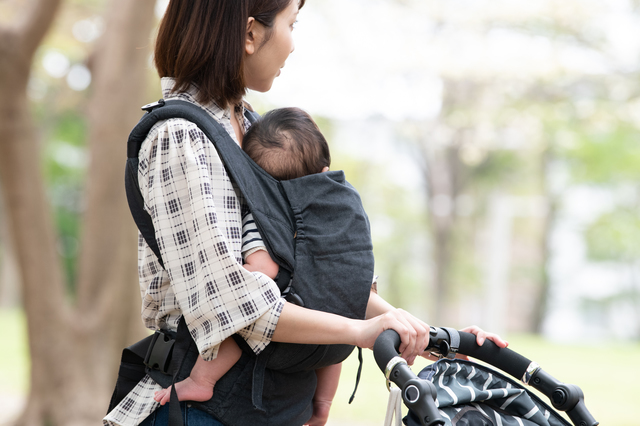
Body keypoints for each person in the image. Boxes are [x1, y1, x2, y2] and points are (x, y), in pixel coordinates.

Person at [104, 1, 508, 425]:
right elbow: (233, 301)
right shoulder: (180, 137)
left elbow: (310, 274)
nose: (293, 45)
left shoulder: (257, 130)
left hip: (274, 407)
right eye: (291, 25)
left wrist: (422, 334)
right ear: (249, 34)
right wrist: (360, 332)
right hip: (201, 409)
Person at [152, 107, 341, 424]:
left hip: (276, 322)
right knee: (333, 331)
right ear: (323, 175)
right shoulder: (331, 223)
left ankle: (202, 381)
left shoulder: (263, 218)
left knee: (233, 326)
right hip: (318, 332)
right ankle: (322, 404)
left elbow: (261, 272)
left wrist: (231, 280)